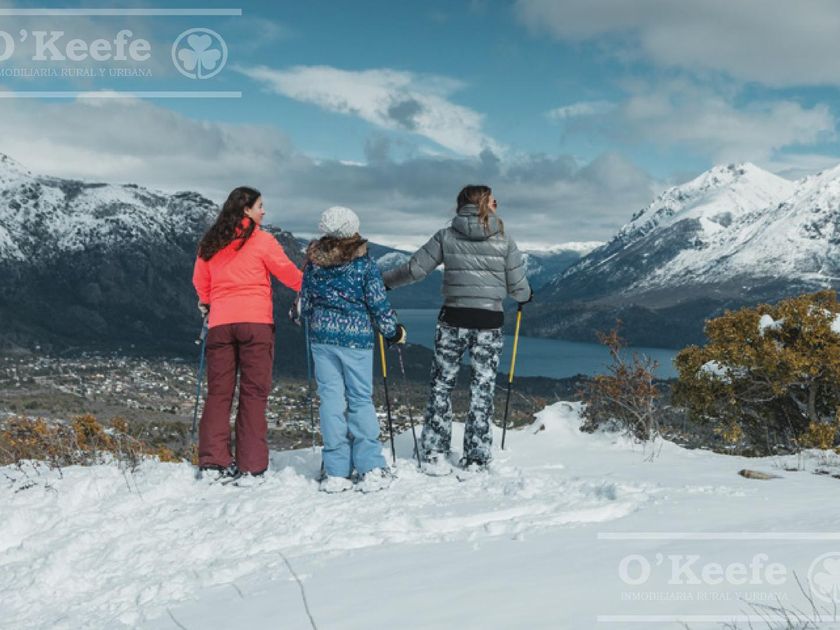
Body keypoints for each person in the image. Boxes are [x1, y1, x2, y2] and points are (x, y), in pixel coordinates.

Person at [382, 185, 531, 475]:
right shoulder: (504, 239)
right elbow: (517, 288)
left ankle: (434, 451)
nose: (498, 205)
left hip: (452, 320)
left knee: (441, 385)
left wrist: (384, 283)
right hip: (489, 323)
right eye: (495, 201)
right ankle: (476, 456)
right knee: (482, 388)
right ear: (486, 204)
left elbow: (415, 270)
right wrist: (527, 296)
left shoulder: (446, 235)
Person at [192, 186, 302, 484]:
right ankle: (251, 465)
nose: (263, 211)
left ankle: (213, 461)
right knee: (253, 393)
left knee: (219, 393)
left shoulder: (211, 242)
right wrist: (312, 289)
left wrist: (210, 304)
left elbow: (200, 282)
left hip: (220, 324)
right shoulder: (262, 240)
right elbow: (289, 274)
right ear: (246, 210)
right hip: (255, 324)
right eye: (260, 206)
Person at [300, 206, 406, 493]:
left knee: (331, 401)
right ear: (351, 230)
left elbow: (305, 303)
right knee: (359, 399)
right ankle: (370, 465)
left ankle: (336, 469)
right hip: (356, 340)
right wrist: (393, 332)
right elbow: (378, 304)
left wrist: (310, 317)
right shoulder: (364, 265)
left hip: (322, 339)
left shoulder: (314, 263)